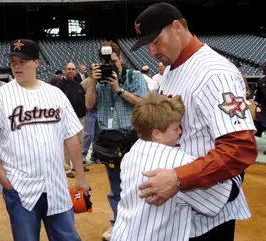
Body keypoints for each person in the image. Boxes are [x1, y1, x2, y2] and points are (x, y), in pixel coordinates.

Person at [132, 3, 257, 240]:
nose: (151, 51)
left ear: (176, 27)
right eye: (147, 44)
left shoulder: (215, 72)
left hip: (208, 216)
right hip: (177, 211)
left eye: (155, 41)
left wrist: (180, 178)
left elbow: (240, 148)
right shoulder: (171, 70)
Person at [0, 39, 90, 241]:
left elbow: (71, 138)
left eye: (23, 61)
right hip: (20, 188)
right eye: (13, 61)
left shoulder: (55, 94)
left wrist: (80, 177)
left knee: (67, 237)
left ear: (36, 62)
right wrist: (5, 181)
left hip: (56, 184)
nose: (17, 66)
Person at [112, 94, 234, 241]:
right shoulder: (178, 161)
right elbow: (226, 193)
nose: (180, 132)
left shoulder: (131, 154)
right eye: (175, 128)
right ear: (156, 134)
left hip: (123, 233)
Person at [86, 40, 148, 241]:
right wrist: (93, 81)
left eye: (113, 61)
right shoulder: (98, 80)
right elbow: (89, 105)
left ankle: (139, 225)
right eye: (106, 62)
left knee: (138, 184)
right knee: (115, 187)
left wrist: (118, 89)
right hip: (109, 140)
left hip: (132, 138)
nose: (110, 66)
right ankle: (118, 224)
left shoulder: (134, 76)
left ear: (120, 59)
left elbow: (144, 103)